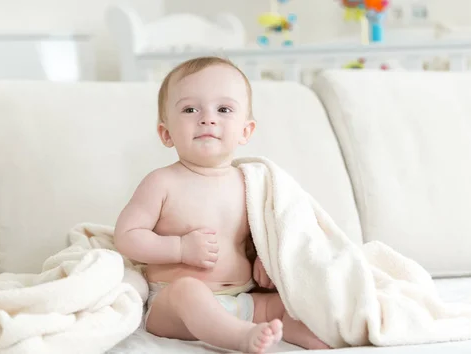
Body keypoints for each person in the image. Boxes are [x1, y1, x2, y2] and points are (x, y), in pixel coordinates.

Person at [114, 56, 330, 353]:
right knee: (189, 291)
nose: (207, 118)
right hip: (173, 305)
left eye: (224, 109)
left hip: (244, 298)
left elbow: (260, 235)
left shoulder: (251, 183)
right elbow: (127, 236)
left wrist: (264, 260)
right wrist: (179, 248)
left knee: (284, 305)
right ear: (166, 133)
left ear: (245, 131)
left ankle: (319, 338)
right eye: (190, 109)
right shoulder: (161, 182)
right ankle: (239, 337)